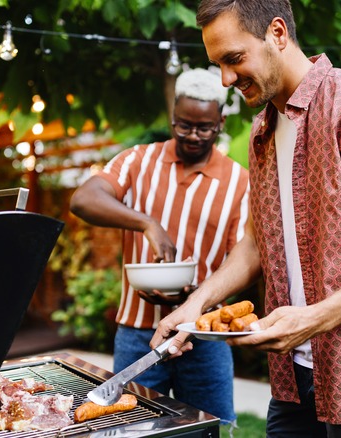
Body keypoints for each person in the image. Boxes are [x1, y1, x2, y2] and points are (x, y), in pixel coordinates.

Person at [152, 1, 341, 437]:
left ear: (277, 33)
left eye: (234, 59)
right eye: (217, 64)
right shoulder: (263, 131)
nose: (225, 79)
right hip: (293, 376)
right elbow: (257, 243)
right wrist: (195, 305)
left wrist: (312, 319)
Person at [69, 68, 250, 425]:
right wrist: (147, 222)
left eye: (205, 127)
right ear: (172, 118)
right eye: (183, 125)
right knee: (126, 426)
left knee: (209, 428)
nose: (193, 136)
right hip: (137, 333)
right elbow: (83, 199)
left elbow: (242, 261)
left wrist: (196, 295)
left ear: (221, 122)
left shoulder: (239, 182)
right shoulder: (138, 160)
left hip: (204, 335)